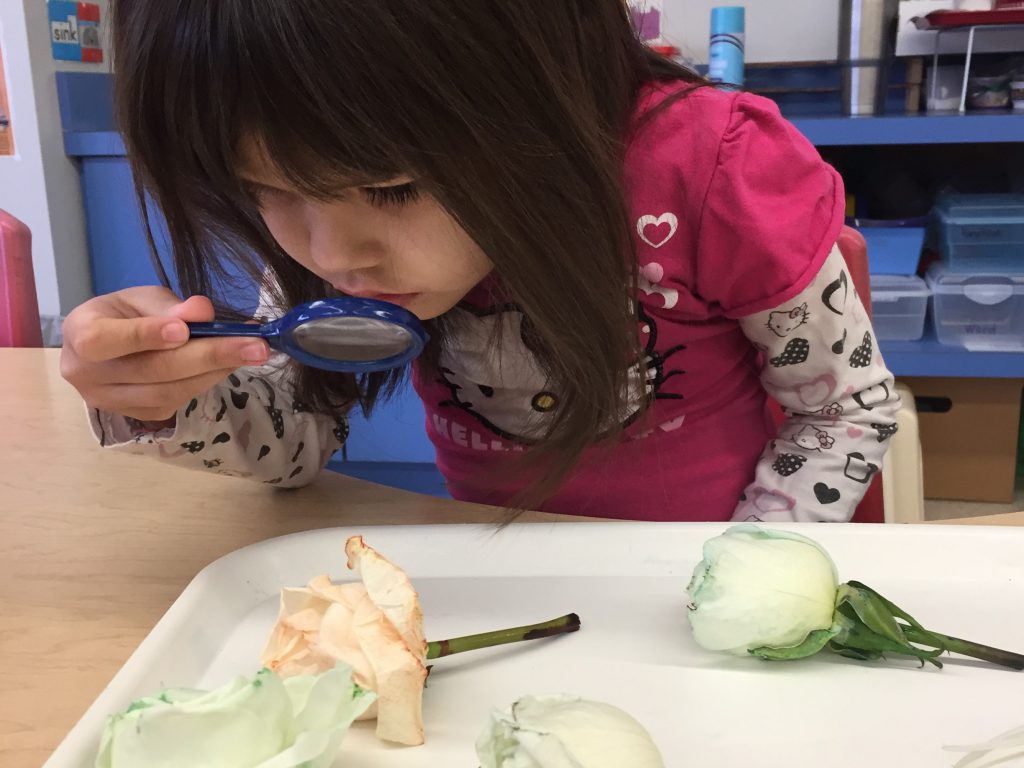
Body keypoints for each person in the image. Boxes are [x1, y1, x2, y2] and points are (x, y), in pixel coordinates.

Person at [60, 0, 899, 523]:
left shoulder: (711, 170)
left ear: (535, 100)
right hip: (505, 580)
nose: (332, 256)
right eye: (264, 191)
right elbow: (297, 441)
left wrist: (746, 577)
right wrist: (170, 395)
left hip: (702, 570)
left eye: (391, 190)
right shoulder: (330, 239)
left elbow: (846, 410)